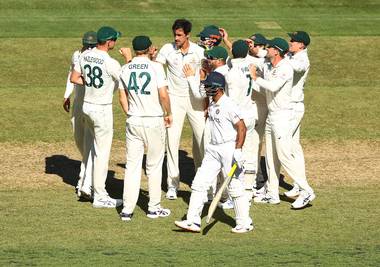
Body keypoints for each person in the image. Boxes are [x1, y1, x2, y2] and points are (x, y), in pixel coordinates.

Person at [174, 72, 253, 234]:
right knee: (199, 183)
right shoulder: (212, 102)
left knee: (235, 187)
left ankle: (244, 222)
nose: (205, 88)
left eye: (208, 86)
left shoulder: (229, 105)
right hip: (213, 149)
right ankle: (193, 221)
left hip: (228, 149)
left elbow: (242, 127)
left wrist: (238, 149)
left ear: (217, 89)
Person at [250, 38, 315, 209]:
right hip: (272, 115)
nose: (267, 49)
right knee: (271, 156)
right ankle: (272, 194)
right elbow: (265, 87)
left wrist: (255, 78)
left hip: (283, 117)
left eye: (270, 47)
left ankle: (306, 190)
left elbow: (273, 87)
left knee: (284, 155)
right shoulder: (271, 66)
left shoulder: (285, 68)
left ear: (277, 51)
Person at [118, 36, 172, 221]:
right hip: (153, 120)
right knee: (154, 166)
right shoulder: (156, 67)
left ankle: (127, 210)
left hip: (134, 121)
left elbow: (122, 97)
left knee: (132, 166)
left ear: (134, 50)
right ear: (149, 48)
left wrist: (130, 113)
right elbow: (163, 95)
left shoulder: (125, 68)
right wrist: (169, 112)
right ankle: (153, 208)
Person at [70, 26, 125, 208]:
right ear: (108, 41)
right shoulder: (111, 63)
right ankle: (100, 195)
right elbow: (127, 81)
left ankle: (87, 185)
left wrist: (91, 83)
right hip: (102, 110)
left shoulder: (84, 55)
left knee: (90, 148)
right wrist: (129, 59)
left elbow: (74, 78)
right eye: (114, 40)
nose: (115, 43)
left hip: (86, 106)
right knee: (101, 153)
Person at [156, 19, 205, 200]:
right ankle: (172, 185)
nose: (176, 38)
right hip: (175, 100)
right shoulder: (167, 49)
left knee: (202, 141)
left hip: (195, 100)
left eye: (179, 35)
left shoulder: (199, 51)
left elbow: (204, 74)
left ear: (187, 35)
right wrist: (164, 87)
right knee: (172, 141)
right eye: (174, 35)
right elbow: (157, 67)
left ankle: (202, 183)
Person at [63, 31, 97, 199]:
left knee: (89, 143)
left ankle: (84, 182)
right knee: (79, 140)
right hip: (78, 104)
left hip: (93, 105)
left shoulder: (98, 58)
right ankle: (90, 173)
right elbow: (71, 75)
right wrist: (66, 95)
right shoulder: (76, 55)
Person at [225, 40, 259, 202]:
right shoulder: (250, 64)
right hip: (250, 114)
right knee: (249, 153)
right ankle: (248, 190)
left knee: (236, 154)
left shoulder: (231, 73)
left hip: (238, 119)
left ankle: (236, 193)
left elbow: (231, 100)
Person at [283, 31, 311, 198]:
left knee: (284, 146)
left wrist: (283, 57)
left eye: (293, 41)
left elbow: (296, 68)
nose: (290, 42)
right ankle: (299, 184)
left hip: (293, 107)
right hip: (291, 107)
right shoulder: (291, 55)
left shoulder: (302, 59)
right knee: (294, 148)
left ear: (302, 45)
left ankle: (304, 187)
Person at [245, 33, 270, 197]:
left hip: (260, 106)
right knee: (250, 143)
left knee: (254, 143)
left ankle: (256, 181)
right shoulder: (248, 58)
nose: (249, 46)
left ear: (261, 46)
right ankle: (255, 178)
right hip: (248, 106)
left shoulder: (264, 62)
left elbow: (265, 87)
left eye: (253, 44)